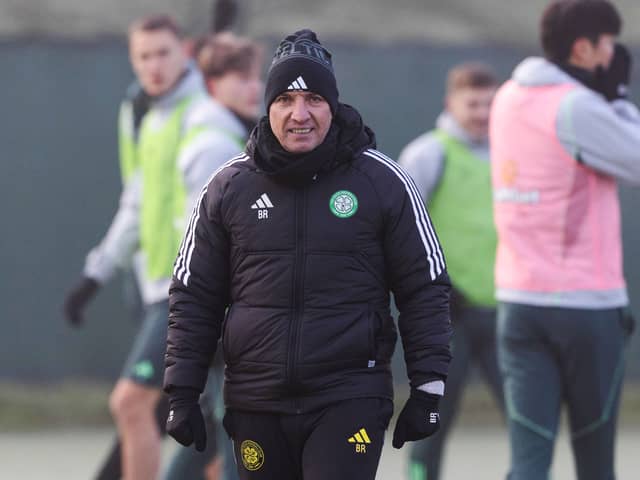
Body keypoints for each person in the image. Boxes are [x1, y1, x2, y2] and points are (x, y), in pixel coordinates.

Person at [162, 29, 453, 480]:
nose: (300, 115)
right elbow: (193, 293)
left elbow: (424, 286)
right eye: (285, 101)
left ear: (332, 106)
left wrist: (428, 387)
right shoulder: (229, 186)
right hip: (255, 399)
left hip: (349, 394)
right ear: (269, 106)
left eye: (314, 99)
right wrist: (183, 391)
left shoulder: (382, 180)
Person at [62, 14, 250, 479]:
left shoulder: (204, 121)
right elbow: (137, 202)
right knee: (211, 414)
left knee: (132, 402)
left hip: (188, 291)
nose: (154, 65)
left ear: (184, 53)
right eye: (143, 56)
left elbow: (215, 217)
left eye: (163, 53)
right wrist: (96, 273)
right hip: (160, 287)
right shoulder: (152, 117)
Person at [489, 1, 639, 478]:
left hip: (518, 303)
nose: (612, 53)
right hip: (586, 309)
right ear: (582, 48)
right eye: (608, 44)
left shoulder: (508, 96)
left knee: (527, 463)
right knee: (595, 463)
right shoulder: (578, 106)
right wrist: (616, 96)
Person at [163, 32, 263, 480]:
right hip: (221, 307)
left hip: (224, 306)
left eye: (255, 77)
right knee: (233, 424)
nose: (254, 87)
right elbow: (205, 241)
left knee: (213, 422)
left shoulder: (232, 134)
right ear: (211, 83)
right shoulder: (218, 148)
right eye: (240, 78)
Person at [399, 62, 504, 480]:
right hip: (447, 317)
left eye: (489, 103)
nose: (481, 112)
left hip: (502, 313)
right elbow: (401, 232)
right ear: (450, 103)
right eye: (473, 103)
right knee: (432, 416)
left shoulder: (512, 152)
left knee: (528, 414)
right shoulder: (429, 153)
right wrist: (437, 287)